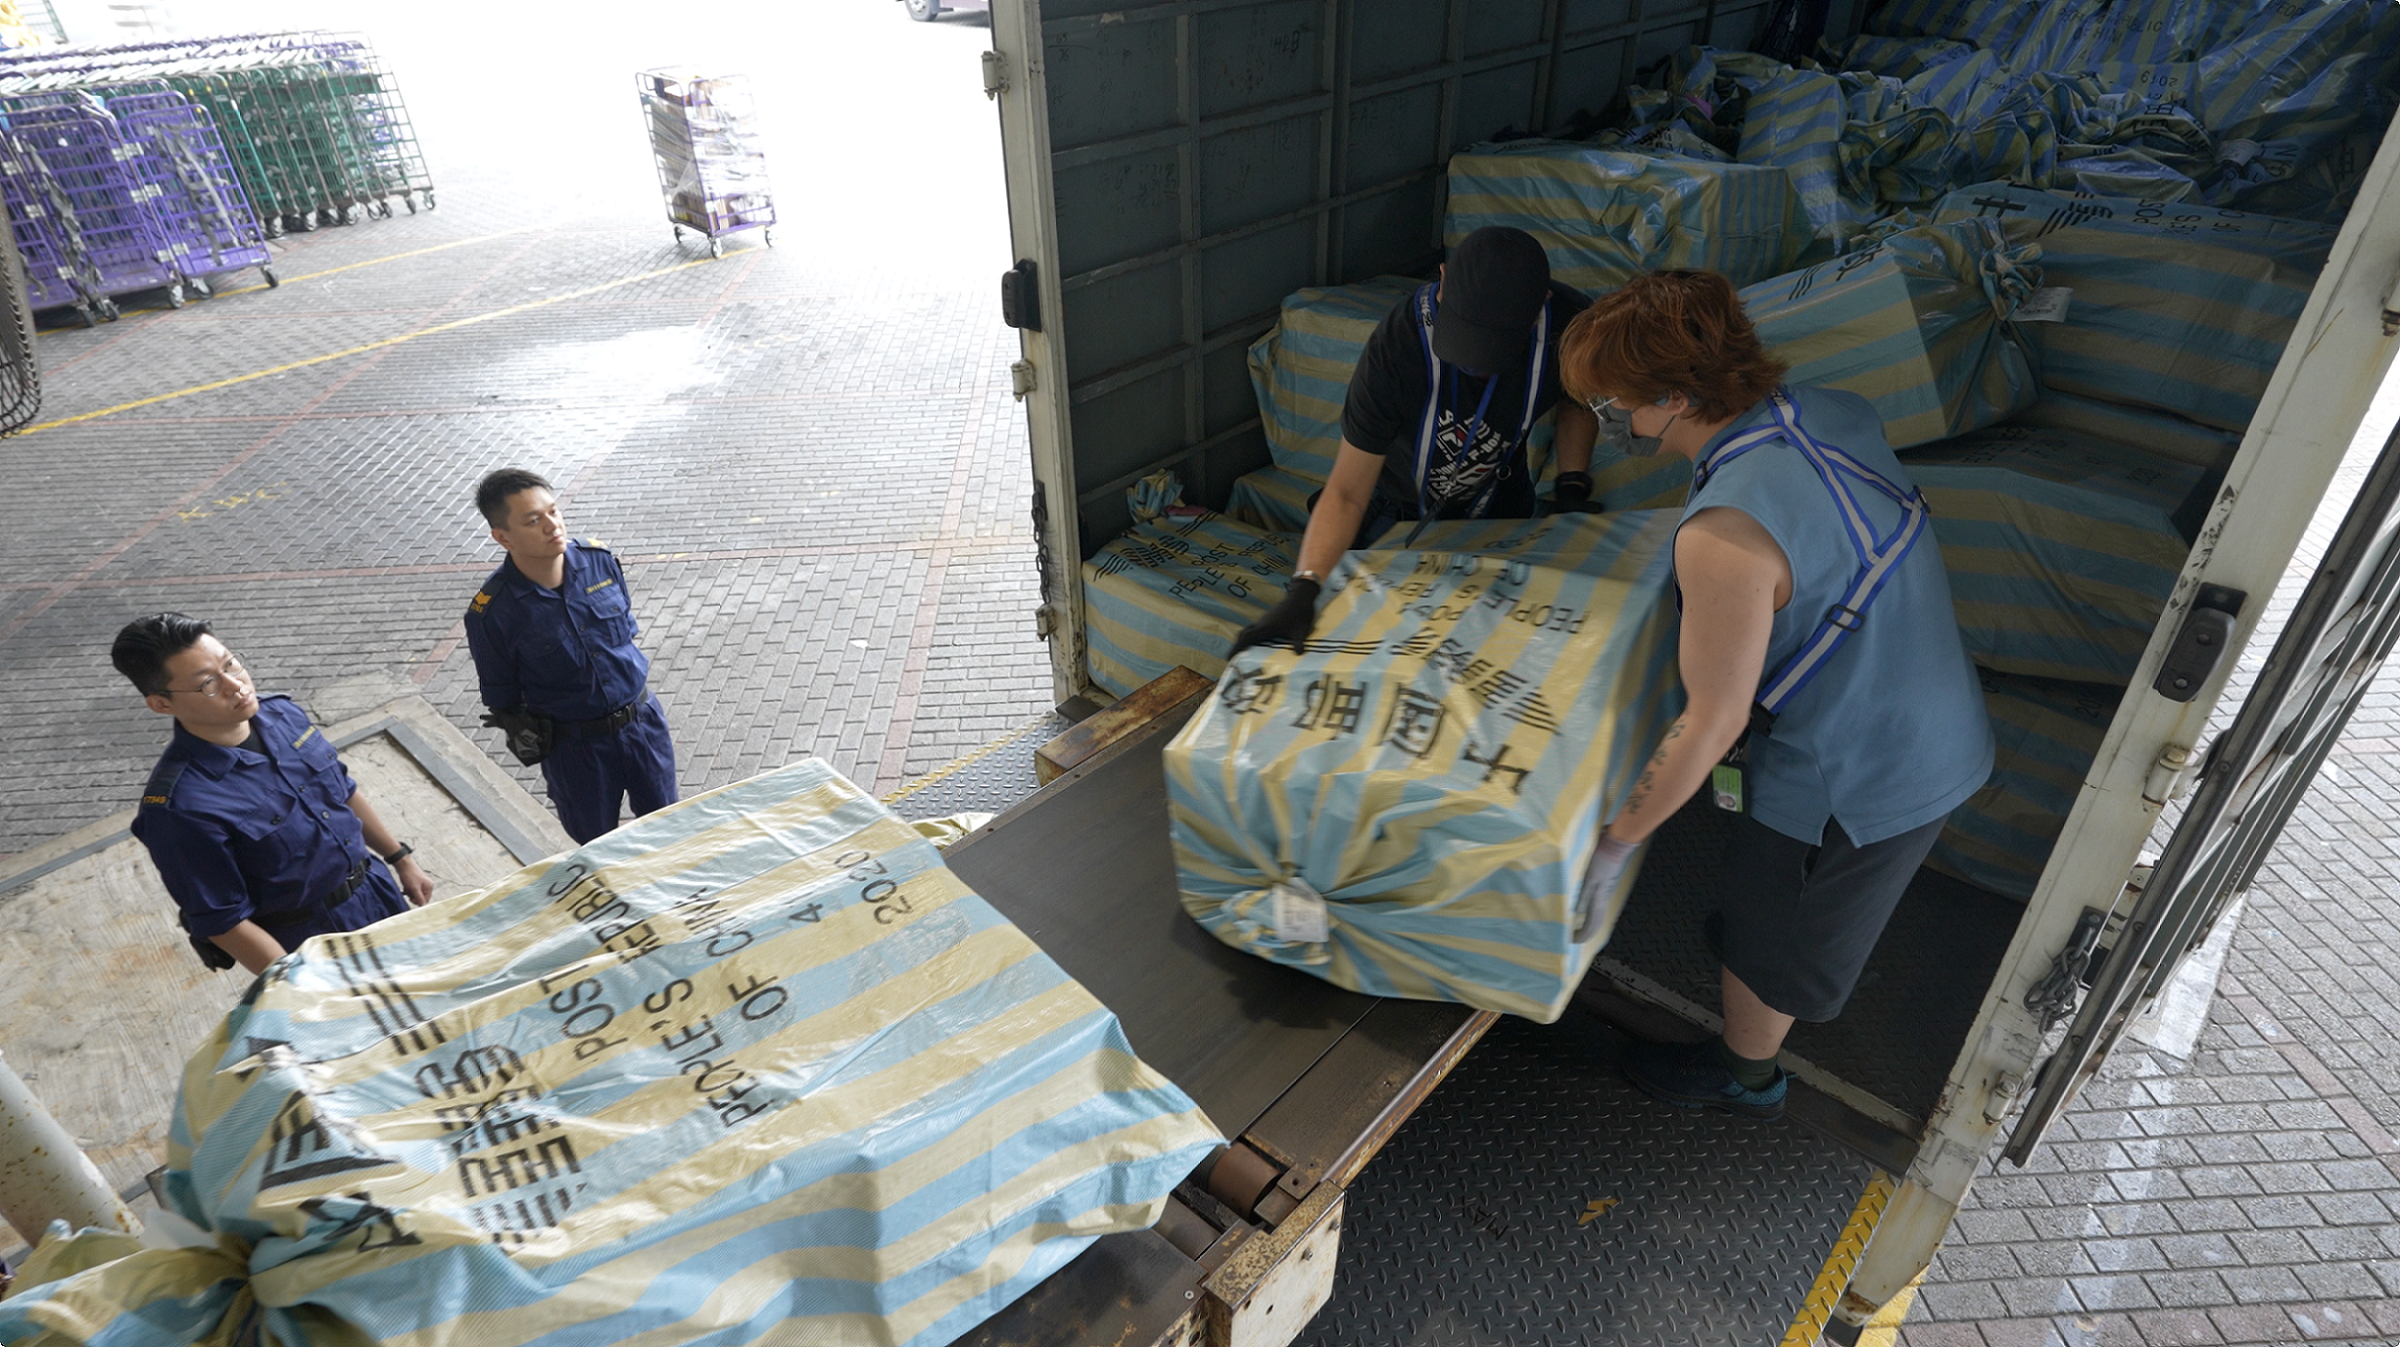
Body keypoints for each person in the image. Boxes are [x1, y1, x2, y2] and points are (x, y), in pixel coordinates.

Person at [1558, 270, 1993, 1119]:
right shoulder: (1827, 411)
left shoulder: (1723, 538)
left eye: (1614, 403)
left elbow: (1713, 719)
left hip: (1860, 773)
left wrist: (1614, 845)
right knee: (1772, 893)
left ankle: (1746, 1074)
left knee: (1772, 924)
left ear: (1677, 398)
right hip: (1930, 705)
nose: (1607, 421)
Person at [1230, 225, 1602, 655]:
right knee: (1389, 640)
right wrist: (1304, 589)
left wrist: (1573, 483)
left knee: (1493, 640)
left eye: (1492, 350)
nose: (1476, 368)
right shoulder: (1396, 349)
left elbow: (1578, 397)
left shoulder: (1572, 328)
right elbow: (1347, 491)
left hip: (1499, 504)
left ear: (1542, 305)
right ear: (1442, 279)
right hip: (1398, 508)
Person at [115, 614, 431, 975]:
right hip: (311, 941)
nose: (236, 686)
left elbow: (341, 791)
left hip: (376, 890)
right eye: (208, 685)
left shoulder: (281, 714)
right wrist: (297, 987)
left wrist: (400, 859)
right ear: (161, 704)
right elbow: (223, 921)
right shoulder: (181, 808)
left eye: (231, 664)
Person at [464, 468, 679, 844]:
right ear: (503, 537)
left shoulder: (600, 561)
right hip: (576, 750)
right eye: (533, 520)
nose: (552, 525)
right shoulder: (493, 613)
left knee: (672, 831)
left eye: (554, 511)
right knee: (597, 849)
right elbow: (502, 696)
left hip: (642, 725)